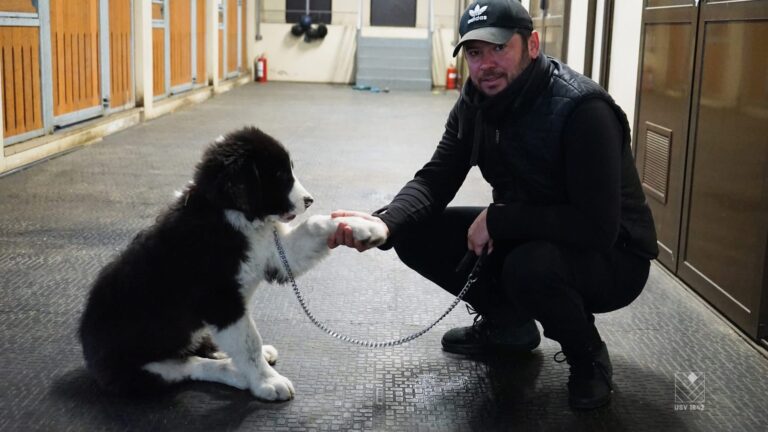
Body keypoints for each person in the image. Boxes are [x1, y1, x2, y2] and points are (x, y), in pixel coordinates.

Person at [328, 0, 658, 410]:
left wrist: (500, 220)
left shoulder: (582, 110)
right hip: (530, 231)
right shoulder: (475, 102)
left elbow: (597, 227)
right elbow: (436, 178)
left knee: (530, 268)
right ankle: (509, 326)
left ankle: (587, 356)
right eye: (474, 52)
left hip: (614, 256)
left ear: (532, 45)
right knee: (415, 234)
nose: (486, 64)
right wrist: (386, 225)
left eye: (499, 48)